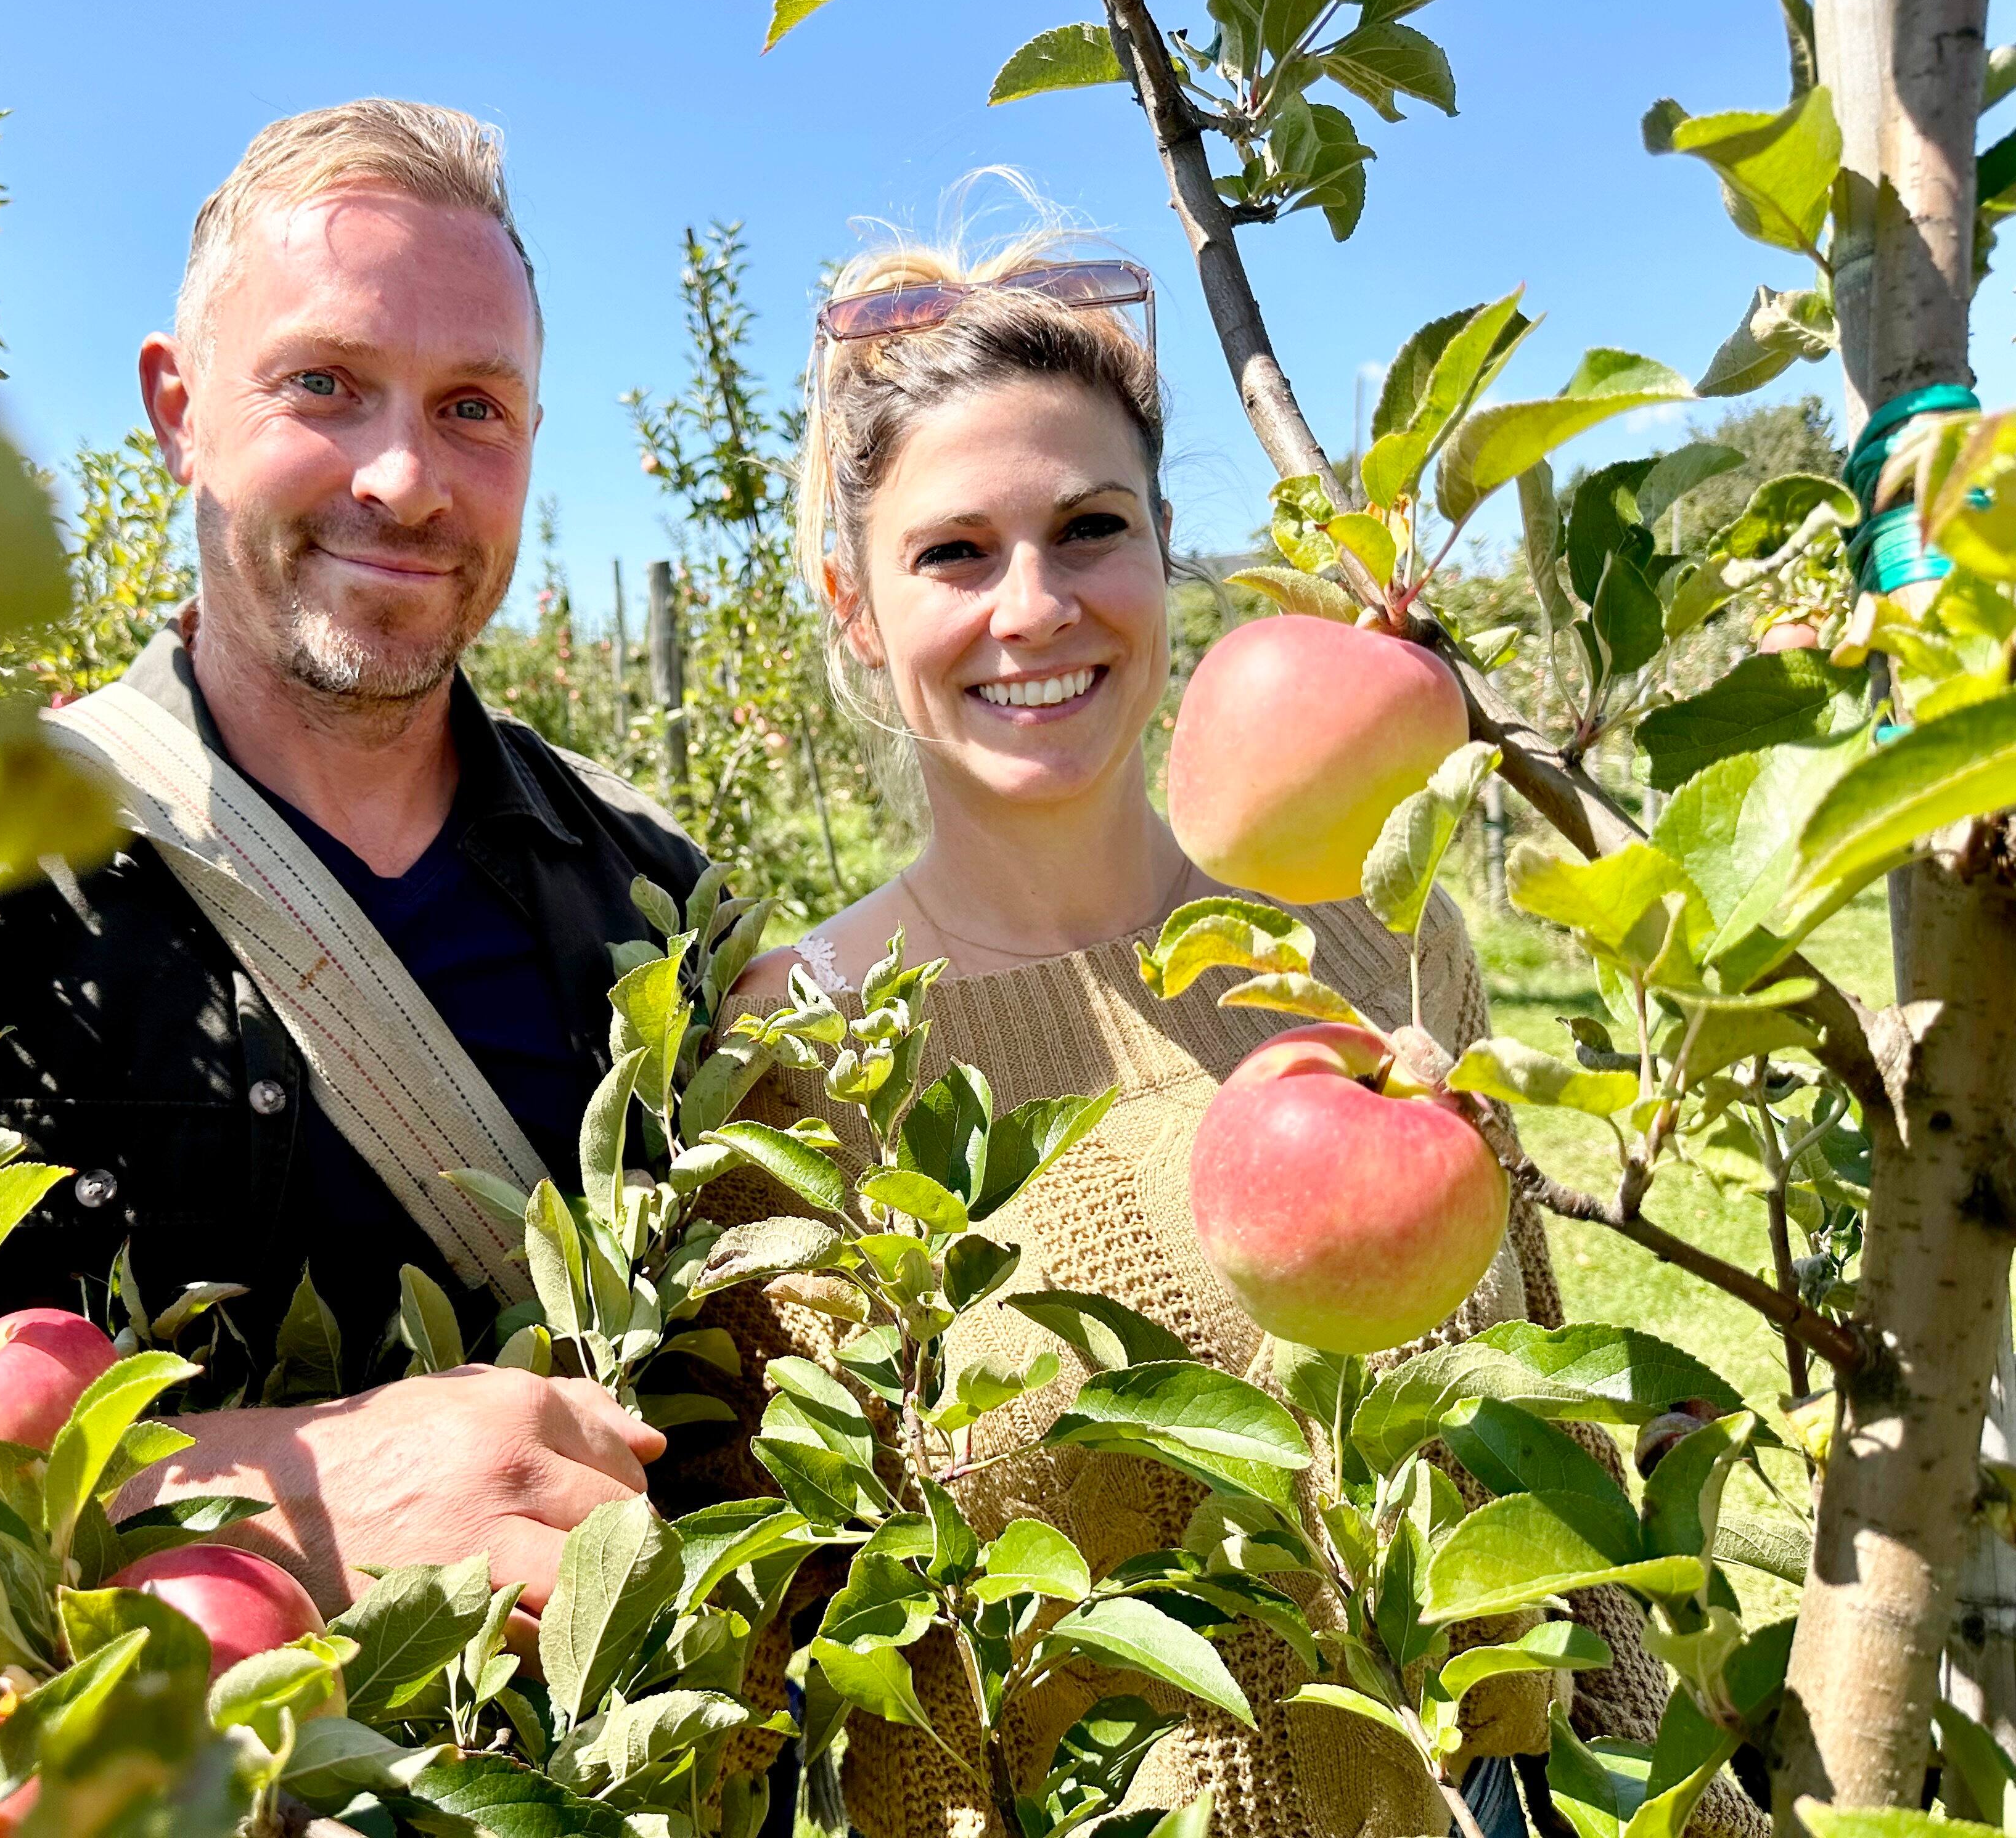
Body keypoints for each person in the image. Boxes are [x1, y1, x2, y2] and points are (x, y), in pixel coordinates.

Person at [671, 224, 1761, 1838]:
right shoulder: (804, 1056)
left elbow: (1530, 1435)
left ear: (1166, 553)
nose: (1032, 606)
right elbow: (763, 1648)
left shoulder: (1380, 947)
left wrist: (1684, 1797)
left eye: (1089, 529)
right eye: (953, 553)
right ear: (852, 603)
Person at [0, 101, 694, 1645]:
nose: (405, 479)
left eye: (474, 407)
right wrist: (240, 1503)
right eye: (325, 386)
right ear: (177, 412)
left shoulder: (652, 907)